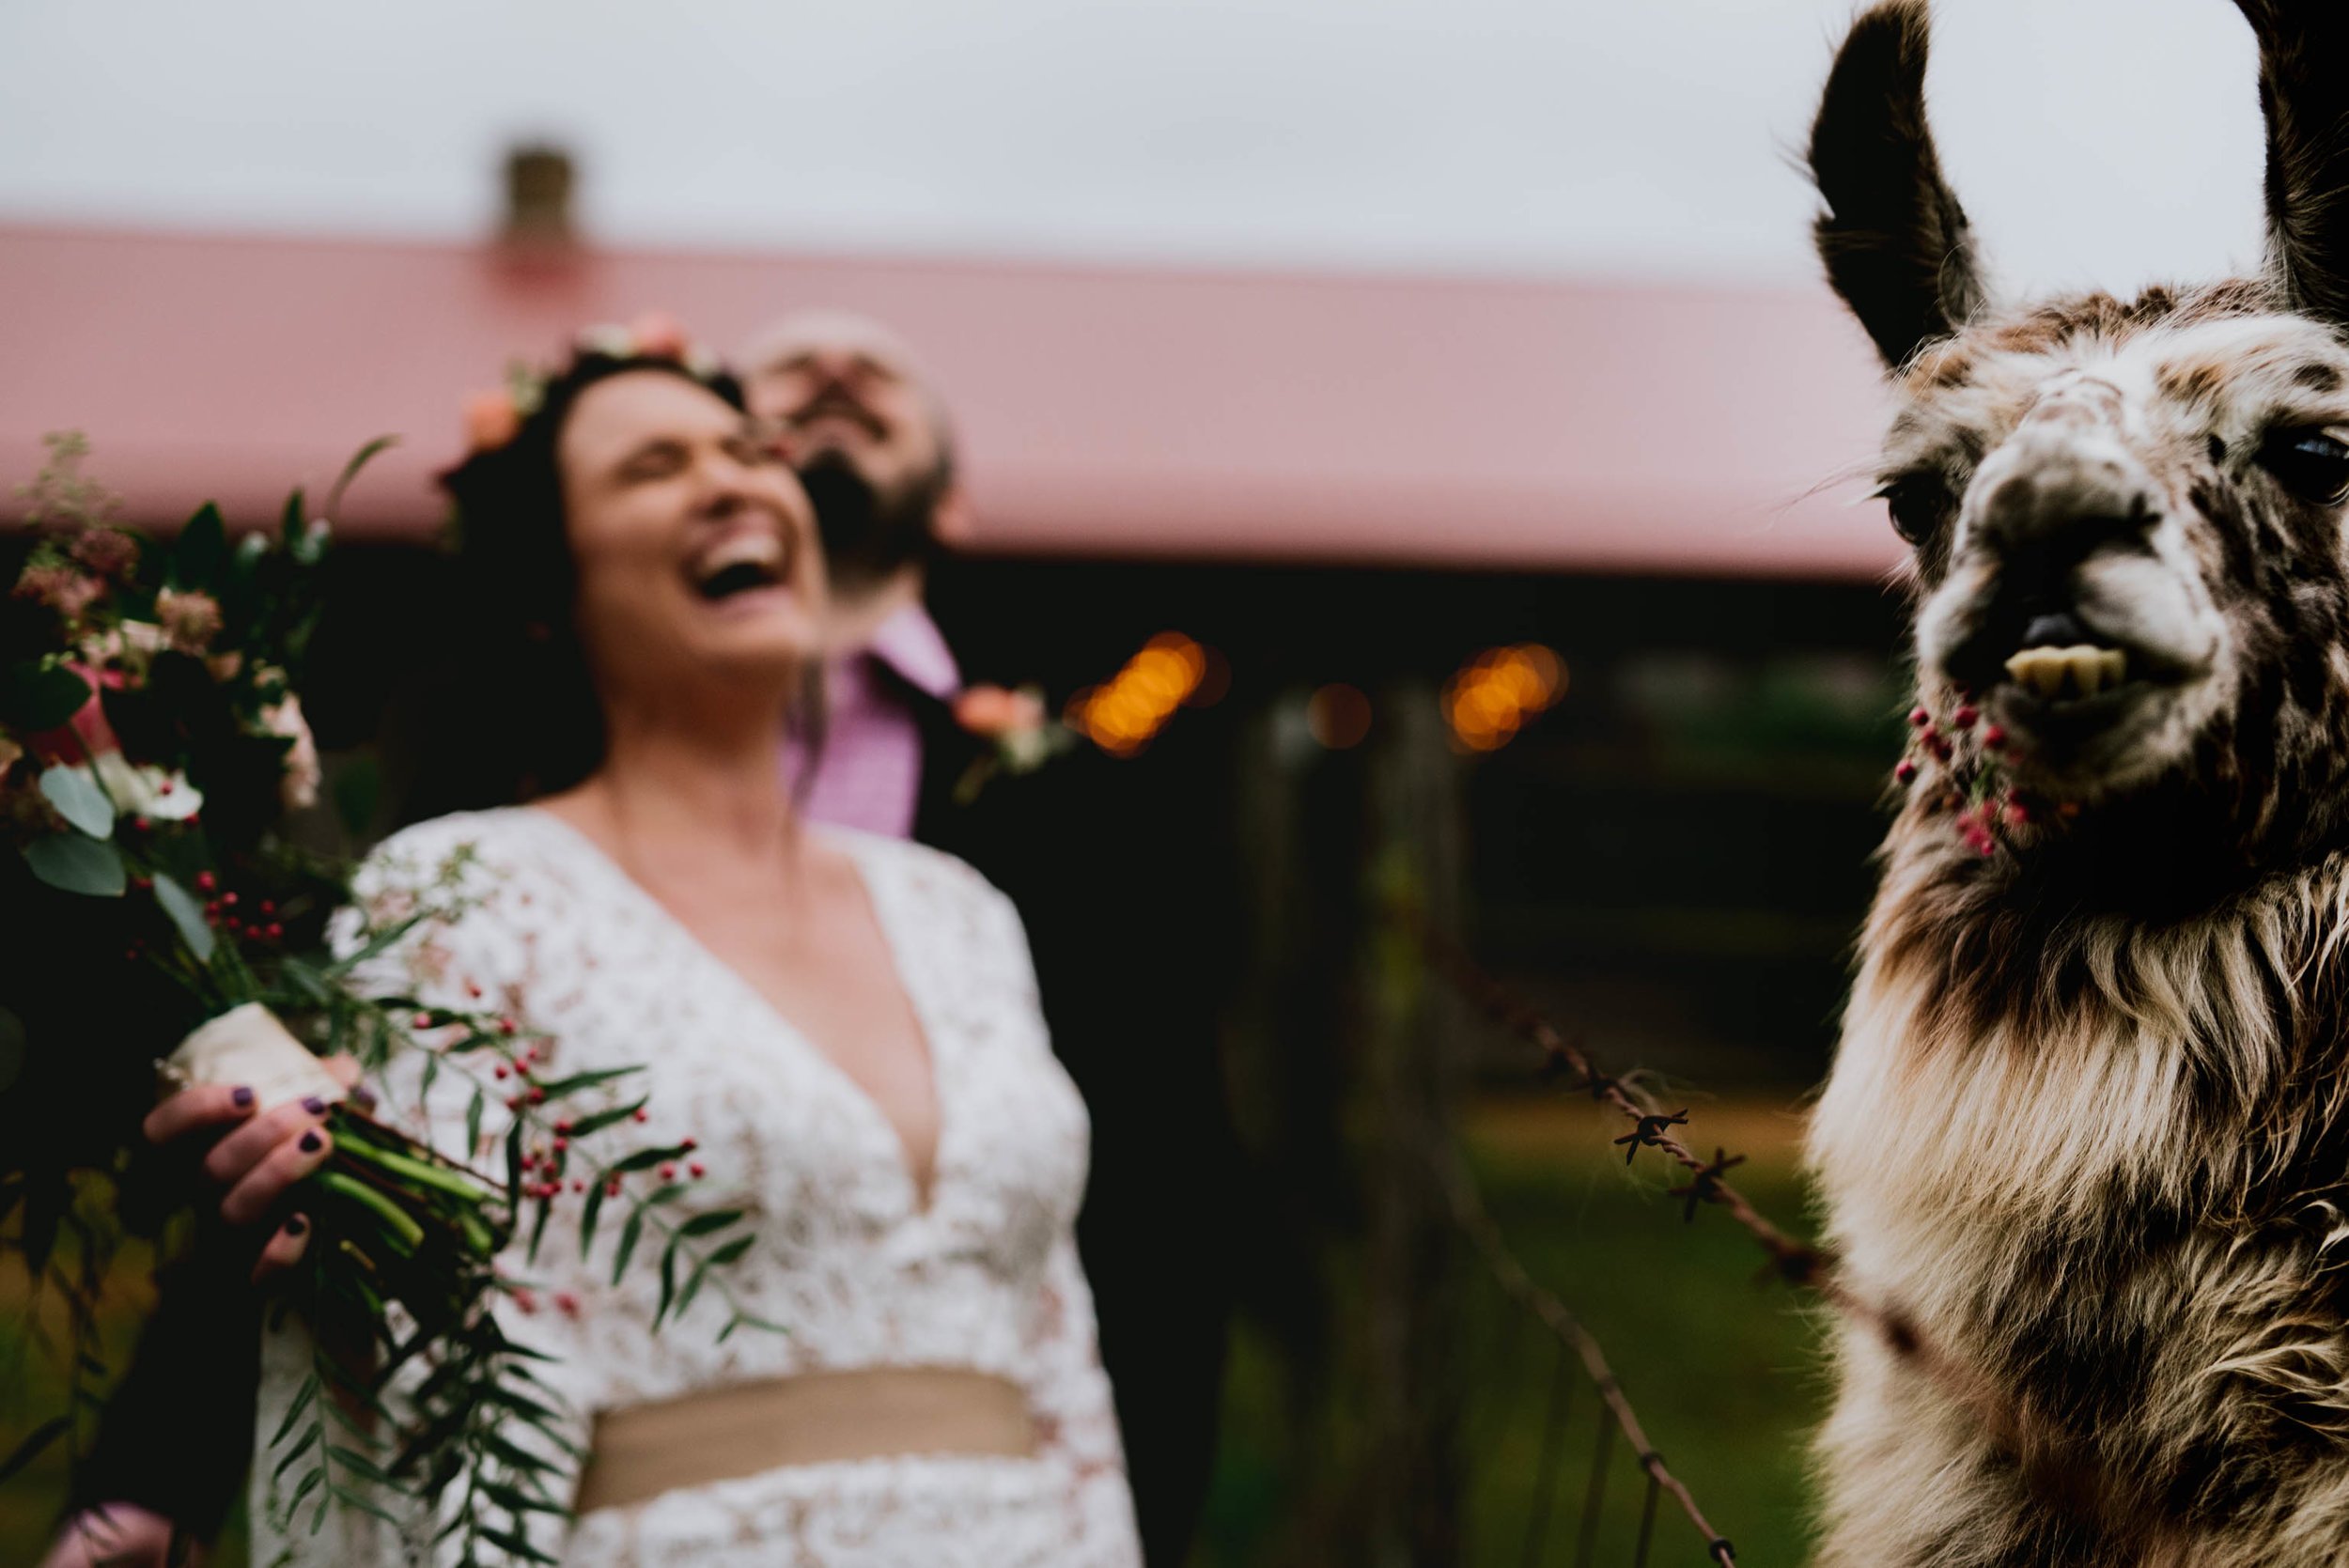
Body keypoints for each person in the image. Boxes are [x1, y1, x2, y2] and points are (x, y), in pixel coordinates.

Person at [45, 326, 1143, 1567]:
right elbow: (425, 1352)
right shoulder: (466, 896)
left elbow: (1066, 1357)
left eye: (745, 449)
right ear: (552, 593)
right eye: (654, 467)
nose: (734, 480)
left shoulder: (962, 913)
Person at [737, 312, 1235, 1566]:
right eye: (789, 373)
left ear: (951, 507)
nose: (837, 373)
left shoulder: (1080, 807)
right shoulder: (552, 765)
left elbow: (1159, 1199)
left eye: (880, 376)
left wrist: (1142, 1517)